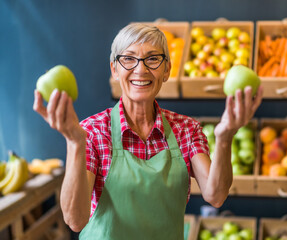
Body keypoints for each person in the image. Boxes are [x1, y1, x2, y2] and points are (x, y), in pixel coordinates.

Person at [33, 23, 263, 239]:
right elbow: (75, 220)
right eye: (129, 59)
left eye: (152, 59)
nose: (140, 69)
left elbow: (216, 195)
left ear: (166, 70)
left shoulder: (186, 129)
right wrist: (75, 143)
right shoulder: (92, 132)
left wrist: (224, 137)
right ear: (114, 69)